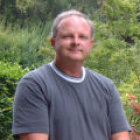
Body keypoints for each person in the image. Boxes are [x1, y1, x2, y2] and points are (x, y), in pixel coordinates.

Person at [12, 10, 131, 140]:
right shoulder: (35, 85)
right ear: (53, 42)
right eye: (68, 36)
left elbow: (121, 136)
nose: (76, 42)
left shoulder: (106, 87)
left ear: (91, 44)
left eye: (82, 37)